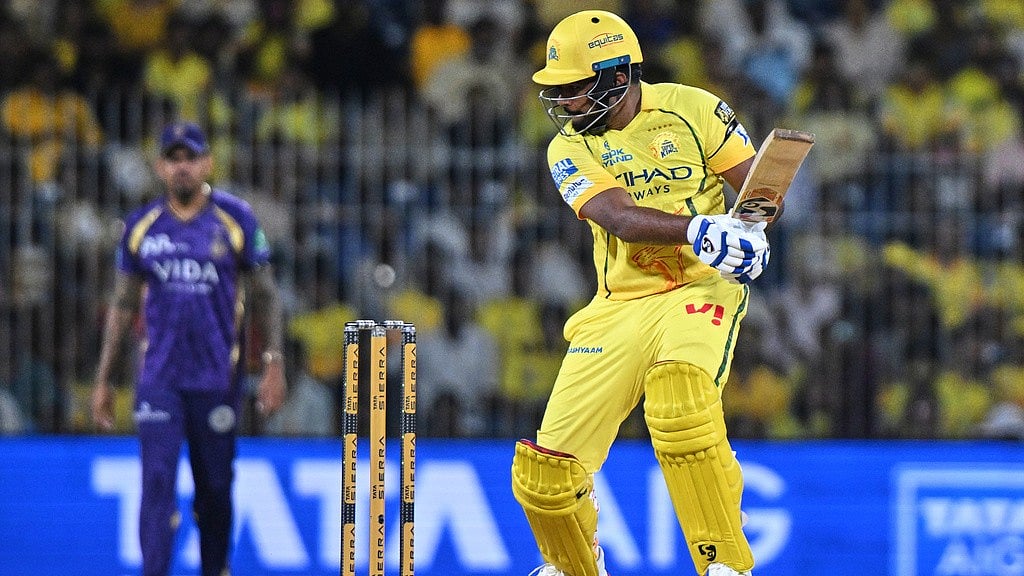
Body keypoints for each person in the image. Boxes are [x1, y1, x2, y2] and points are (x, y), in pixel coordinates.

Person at [511, 10, 770, 576]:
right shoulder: (565, 149)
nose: (566, 103)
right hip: (619, 304)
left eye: (576, 88)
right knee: (545, 476)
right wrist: (701, 230)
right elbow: (620, 218)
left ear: (618, 75)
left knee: (680, 403)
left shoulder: (694, 107)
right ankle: (575, 566)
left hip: (701, 288)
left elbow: (758, 188)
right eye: (559, 91)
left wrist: (750, 232)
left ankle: (726, 566)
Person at [91, 120, 287, 576]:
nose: (182, 167)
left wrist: (274, 363)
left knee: (215, 489)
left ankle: (215, 568)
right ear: (160, 167)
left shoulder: (236, 218)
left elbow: (267, 296)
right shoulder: (141, 226)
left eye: (191, 157)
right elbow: (122, 306)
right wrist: (103, 380)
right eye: (173, 159)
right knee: (156, 482)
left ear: (208, 164)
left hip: (217, 378)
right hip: (159, 379)